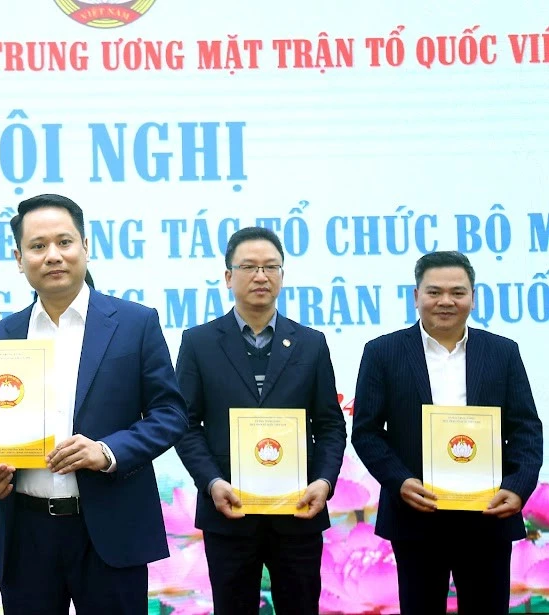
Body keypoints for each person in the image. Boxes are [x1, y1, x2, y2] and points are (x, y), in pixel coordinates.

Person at [0, 193, 188, 614]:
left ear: (85, 247)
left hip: (111, 529)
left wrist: (107, 451)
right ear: (19, 259)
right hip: (26, 535)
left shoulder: (135, 323)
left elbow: (170, 414)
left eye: (64, 242)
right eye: (38, 246)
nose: (53, 255)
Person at [351, 250, 543, 614]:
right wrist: (400, 481)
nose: (446, 301)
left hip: (488, 515)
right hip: (416, 515)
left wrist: (518, 487)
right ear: (416, 296)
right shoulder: (382, 352)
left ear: (473, 297)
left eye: (457, 292)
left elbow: (526, 429)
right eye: (434, 291)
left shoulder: (503, 352)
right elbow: (366, 431)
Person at [174, 227, 347, 615]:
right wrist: (212, 482)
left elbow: (330, 425)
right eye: (249, 267)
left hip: (298, 513)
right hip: (228, 512)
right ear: (228, 277)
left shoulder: (310, 343)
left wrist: (323, 482)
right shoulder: (199, 342)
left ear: (282, 276)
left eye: (271, 267)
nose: (261, 276)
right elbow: (185, 423)